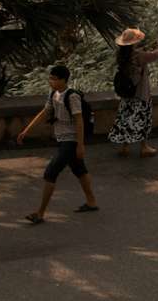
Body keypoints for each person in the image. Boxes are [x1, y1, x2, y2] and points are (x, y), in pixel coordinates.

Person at [17, 62, 99, 223]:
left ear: (63, 80)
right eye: (50, 78)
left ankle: (40, 213)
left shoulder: (72, 96)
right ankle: (92, 202)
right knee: (79, 170)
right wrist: (26, 131)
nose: (51, 81)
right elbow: (44, 113)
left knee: (50, 173)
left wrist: (80, 145)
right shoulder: (54, 93)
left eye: (54, 79)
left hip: (70, 141)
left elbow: (79, 120)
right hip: (61, 139)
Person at [109, 27, 158, 157]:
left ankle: (125, 147)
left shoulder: (123, 55)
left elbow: (137, 52)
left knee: (126, 119)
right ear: (133, 43)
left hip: (127, 94)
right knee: (142, 119)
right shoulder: (138, 56)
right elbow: (157, 54)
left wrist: (148, 46)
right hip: (139, 93)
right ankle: (144, 147)